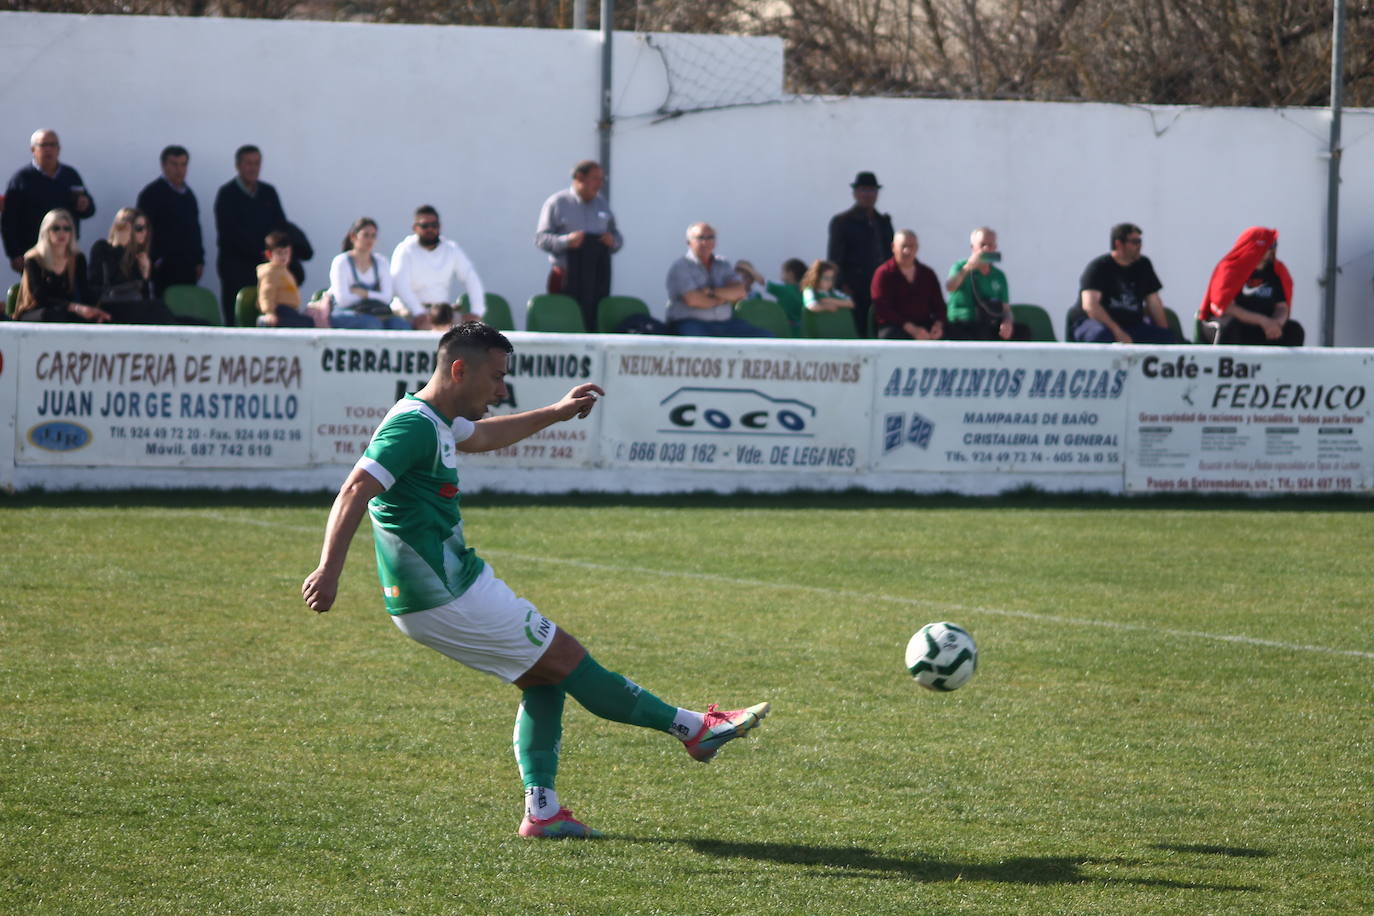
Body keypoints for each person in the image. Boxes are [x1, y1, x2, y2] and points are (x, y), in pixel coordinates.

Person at [301, 322, 770, 839]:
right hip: (442, 595)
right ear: (460, 369)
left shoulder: (438, 419)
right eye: (497, 377)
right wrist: (329, 569)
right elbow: (354, 490)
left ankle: (542, 812)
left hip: (455, 584)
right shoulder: (412, 425)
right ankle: (695, 729)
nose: (502, 390)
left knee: (545, 677)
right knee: (566, 657)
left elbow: (484, 435)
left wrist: (557, 412)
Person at [215, 145, 309, 325]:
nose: (253, 168)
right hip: (238, 268)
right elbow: (229, 234)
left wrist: (275, 254)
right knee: (237, 316)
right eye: (248, 163)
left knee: (274, 312)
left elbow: (280, 226)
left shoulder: (268, 192)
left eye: (257, 163)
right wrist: (261, 252)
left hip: (268, 265)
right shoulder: (227, 195)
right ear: (238, 166)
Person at [535, 160, 622, 331]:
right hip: (566, 276)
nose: (600, 184)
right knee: (563, 322)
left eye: (602, 179)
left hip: (596, 278)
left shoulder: (602, 204)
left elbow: (617, 237)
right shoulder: (557, 203)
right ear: (580, 178)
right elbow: (541, 239)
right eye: (596, 178)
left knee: (593, 323)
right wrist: (567, 241)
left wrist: (613, 241)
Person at [4, 130, 97, 273]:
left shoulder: (70, 175)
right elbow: (8, 220)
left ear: (59, 149)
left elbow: (89, 210)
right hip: (33, 253)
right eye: (43, 145)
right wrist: (14, 254)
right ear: (33, 149)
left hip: (65, 252)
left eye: (53, 145)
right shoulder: (21, 179)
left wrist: (85, 205)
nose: (48, 149)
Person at [87, 207, 197, 325]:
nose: (144, 232)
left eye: (146, 228)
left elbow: (145, 296)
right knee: (158, 309)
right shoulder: (102, 248)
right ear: (124, 228)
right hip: (111, 309)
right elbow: (104, 282)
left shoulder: (139, 257)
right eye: (139, 228)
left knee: (195, 322)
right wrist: (120, 247)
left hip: (135, 310)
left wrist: (145, 274)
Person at [1073, 223, 1178, 344]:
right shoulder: (1099, 267)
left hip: (1131, 325)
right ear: (1118, 244)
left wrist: (1166, 338)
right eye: (1134, 242)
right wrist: (1117, 332)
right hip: (1095, 324)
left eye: (1140, 241)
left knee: (1165, 337)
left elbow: (1154, 302)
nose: (1139, 246)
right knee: (1101, 336)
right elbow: (1090, 306)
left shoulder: (1144, 265)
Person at [1199, 227, 1304, 346]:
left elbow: (1282, 307)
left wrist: (1276, 323)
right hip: (1231, 324)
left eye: (1274, 245)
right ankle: (1230, 364)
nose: (1273, 249)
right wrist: (1263, 321)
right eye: (1269, 245)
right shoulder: (1230, 269)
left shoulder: (1276, 272)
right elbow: (1226, 307)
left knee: (1294, 330)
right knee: (1229, 326)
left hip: (1261, 328)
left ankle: (1284, 365)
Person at [665, 223, 773, 337]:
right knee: (699, 346)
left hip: (726, 324)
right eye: (700, 238)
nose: (705, 242)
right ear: (688, 242)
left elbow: (740, 292)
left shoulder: (723, 263)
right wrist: (724, 299)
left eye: (710, 237)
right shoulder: (680, 267)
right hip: (690, 323)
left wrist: (710, 291)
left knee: (766, 337)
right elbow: (693, 300)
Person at [390, 205, 485, 330]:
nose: (430, 229)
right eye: (425, 226)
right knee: (429, 330)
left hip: (442, 312)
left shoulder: (451, 249)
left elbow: (470, 278)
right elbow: (400, 285)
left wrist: (477, 312)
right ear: (415, 227)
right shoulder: (404, 249)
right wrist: (418, 312)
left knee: (477, 332)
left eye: (434, 225)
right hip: (409, 312)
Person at [827, 171, 894, 337]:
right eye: (863, 190)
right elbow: (834, 258)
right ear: (855, 193)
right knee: (858, 332)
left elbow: (890, 255)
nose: (867, 194)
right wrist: (842, 286)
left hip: (880, 287)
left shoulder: (883, 222)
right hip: (854, 289)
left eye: (871, 190)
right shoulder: (842, 222)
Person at [13, 209, 107, 323]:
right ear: (46, 231)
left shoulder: (77, 258)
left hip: (67, 310)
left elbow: (84, 292)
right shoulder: (34, 258)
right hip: (37, 310)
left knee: (100, 318)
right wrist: (75, 307)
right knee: (52, 316)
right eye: (56, 228)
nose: (61, 233)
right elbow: (40, 297)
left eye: (66, 229)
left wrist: (97, 309)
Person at [136, 145, 205, 295]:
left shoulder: (189, 195)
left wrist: (199, 260)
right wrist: (156, 260)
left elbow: (195, 229)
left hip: (187, 265)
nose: (179, 170)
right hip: (164, 267)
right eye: (174, 164)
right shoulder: (152, 194)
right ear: (163, 165)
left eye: (183, 164)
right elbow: (143, 231)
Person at [943, 227, 1027, 341]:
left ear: (995, 248)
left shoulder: (999, 275)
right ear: (973, 248)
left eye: (990, 245)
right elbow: (950, 286)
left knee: (1023, 332)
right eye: (982, 245)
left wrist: (1007, 322)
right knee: (980, 333)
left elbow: (1006, 309)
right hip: (964, 322)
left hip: (989, 322)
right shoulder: (959, 267)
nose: (987, 248)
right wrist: (968, 267)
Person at [327, 218, 411, 331]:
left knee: (401, 325)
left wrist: (364, 293)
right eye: (366, 235)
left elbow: (387, 298)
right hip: (346, 313)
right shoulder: (341, 262)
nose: (370, 240)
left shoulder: (381, 262)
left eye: (373, 236)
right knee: (371, 324)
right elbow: (343, 300)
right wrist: (375, 295)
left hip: (375, 313)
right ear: (353, 237)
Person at [871, 230, 945, 340]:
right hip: (895, 327)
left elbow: (939, 305)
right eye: (903, 246)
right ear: (893, 247)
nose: (907, 251)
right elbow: (882, 308)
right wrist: (912, 329)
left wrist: (938, 326)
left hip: (924, 326)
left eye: (912, 247)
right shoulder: (883, 273)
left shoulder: (927, 274)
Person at [256, 230, 314, 328]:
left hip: (289, 310)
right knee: (308, 323)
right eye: (279, 253)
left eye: (286, 252)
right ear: (269, 254)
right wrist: (269, 312)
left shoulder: (283, 270)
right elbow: (266, 293)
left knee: (308, 321)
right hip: (279, 310)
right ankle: (264, 322)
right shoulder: (271, 272)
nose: (283, 256)